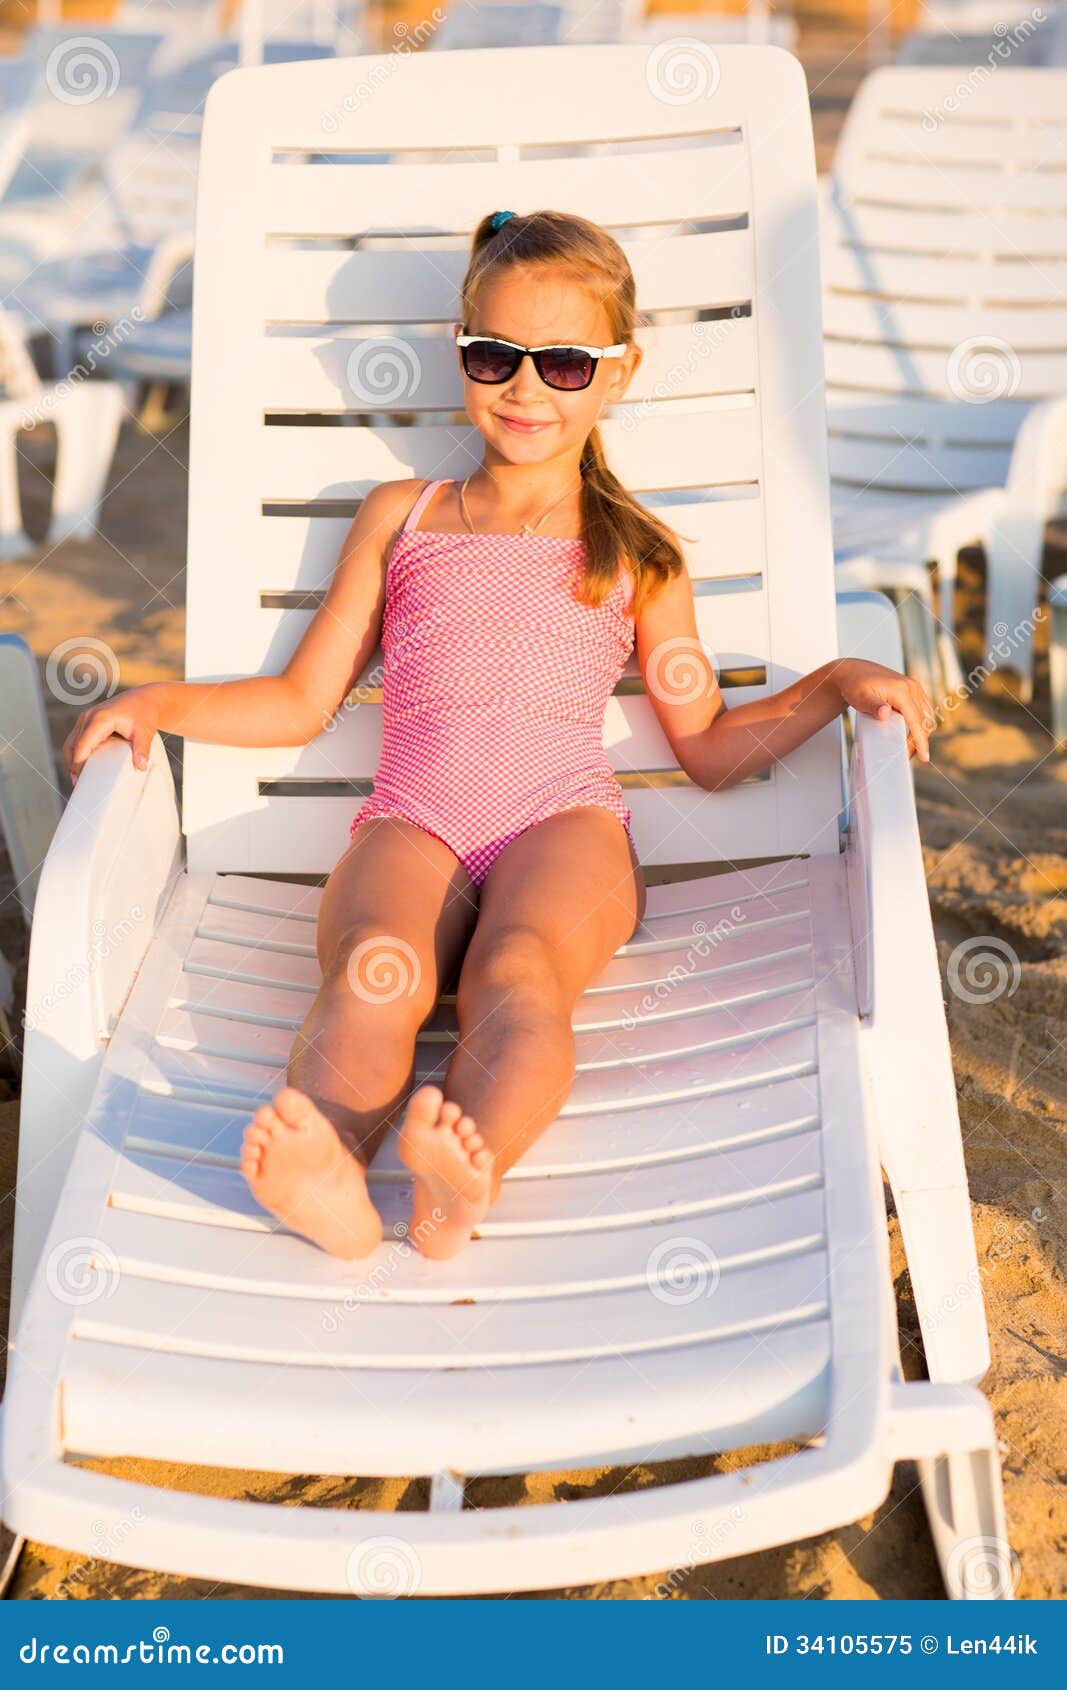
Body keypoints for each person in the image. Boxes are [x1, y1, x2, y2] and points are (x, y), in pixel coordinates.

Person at [63, 208, 937, 1263]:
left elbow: (705, 744)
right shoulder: (401, 517)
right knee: (377, 966)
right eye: (495, 355)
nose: (526, 386)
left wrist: (835, 683)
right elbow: (300, 700)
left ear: (618, 372)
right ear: (460, 354)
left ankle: (457, 1185)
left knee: (519, 974)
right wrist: (160, 703)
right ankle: (329, 1171)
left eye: (564, 363)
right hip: (414, 819)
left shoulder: (636, 553)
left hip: (563, 822)